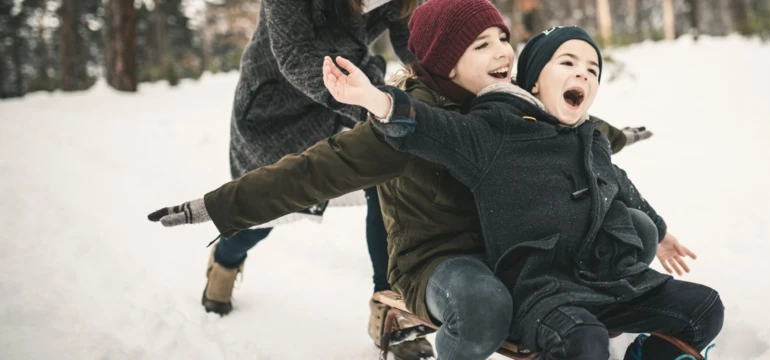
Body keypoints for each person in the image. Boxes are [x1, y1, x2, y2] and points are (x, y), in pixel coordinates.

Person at [148, 0, 656, 358]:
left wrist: (616, 135)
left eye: (502, 40)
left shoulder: (492, 100)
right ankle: (228, 256)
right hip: (288, 104)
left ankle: (383, 305)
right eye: (487, 43)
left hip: (376, 97)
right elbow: (303, 136)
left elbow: (428, 39)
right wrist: (372, 103)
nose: (502, 51)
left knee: (380, 190)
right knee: (287, 208)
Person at [321, 25, 723, 360]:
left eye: (593, 70)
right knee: (583, 341)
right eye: (567, 63)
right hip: (545, 291)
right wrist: (374, 98)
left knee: (705, 309)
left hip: (607, 281)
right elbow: (427, 127)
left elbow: (621, 187)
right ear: (532, 80)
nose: (583, 74)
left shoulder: (590, 140)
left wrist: (661, 230)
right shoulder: (495, 134)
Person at [192, 0, 431, 357]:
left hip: (352, 84)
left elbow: (413, 44)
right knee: (266, 211)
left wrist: (440, 86)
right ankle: (226, 259)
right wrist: (369, 101)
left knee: (385, 176)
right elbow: (294, 54)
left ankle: (391, 308)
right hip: (278, 107)